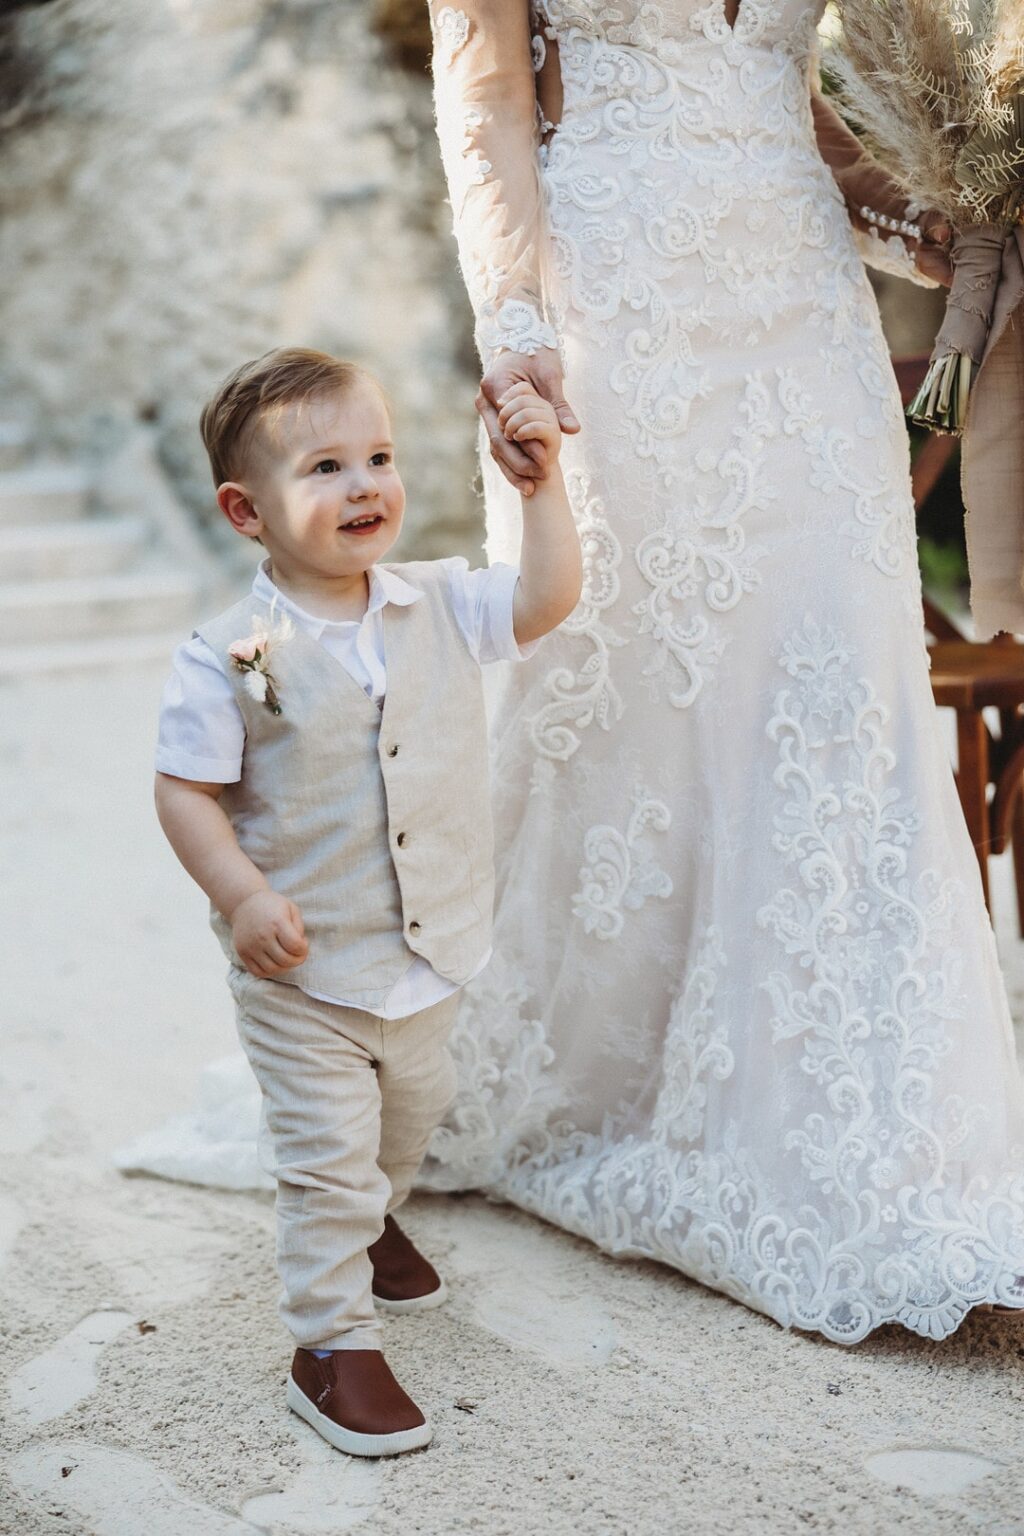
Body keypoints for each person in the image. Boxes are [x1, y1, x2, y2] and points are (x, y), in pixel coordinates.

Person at [422, 0, 1024, 1341]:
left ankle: (875, 1151)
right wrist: (515, 329)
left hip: (803, 322)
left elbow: (777, 104)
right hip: (616, 318)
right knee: (633, 710)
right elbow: (490, 105)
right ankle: (609, 1088)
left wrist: (919, 212)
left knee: (839, 697)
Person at [153, 347, 582, 1455]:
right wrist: (241, 894)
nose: (365, 486)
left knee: (407, 1126)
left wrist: (541, 495)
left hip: (429, 953)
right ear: (246, 511)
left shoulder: (438, 599)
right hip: (303, 970)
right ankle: (330, 1343)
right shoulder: (227, 657)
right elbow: (185, 792)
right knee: (328, 1158)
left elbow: (547, 598)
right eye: (327, 467)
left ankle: (378, 1214)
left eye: (378, 457)